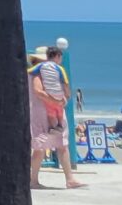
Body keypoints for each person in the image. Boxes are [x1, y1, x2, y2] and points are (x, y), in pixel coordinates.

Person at [29, 45, 86, 189]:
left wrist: (61, 100)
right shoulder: (37, 74)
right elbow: (38, 91)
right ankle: (34, 180)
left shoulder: (41, 73)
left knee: (61, 144)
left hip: (49, 112)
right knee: (41, 147)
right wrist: (57, 101)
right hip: (42, 114)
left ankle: (69, 179)